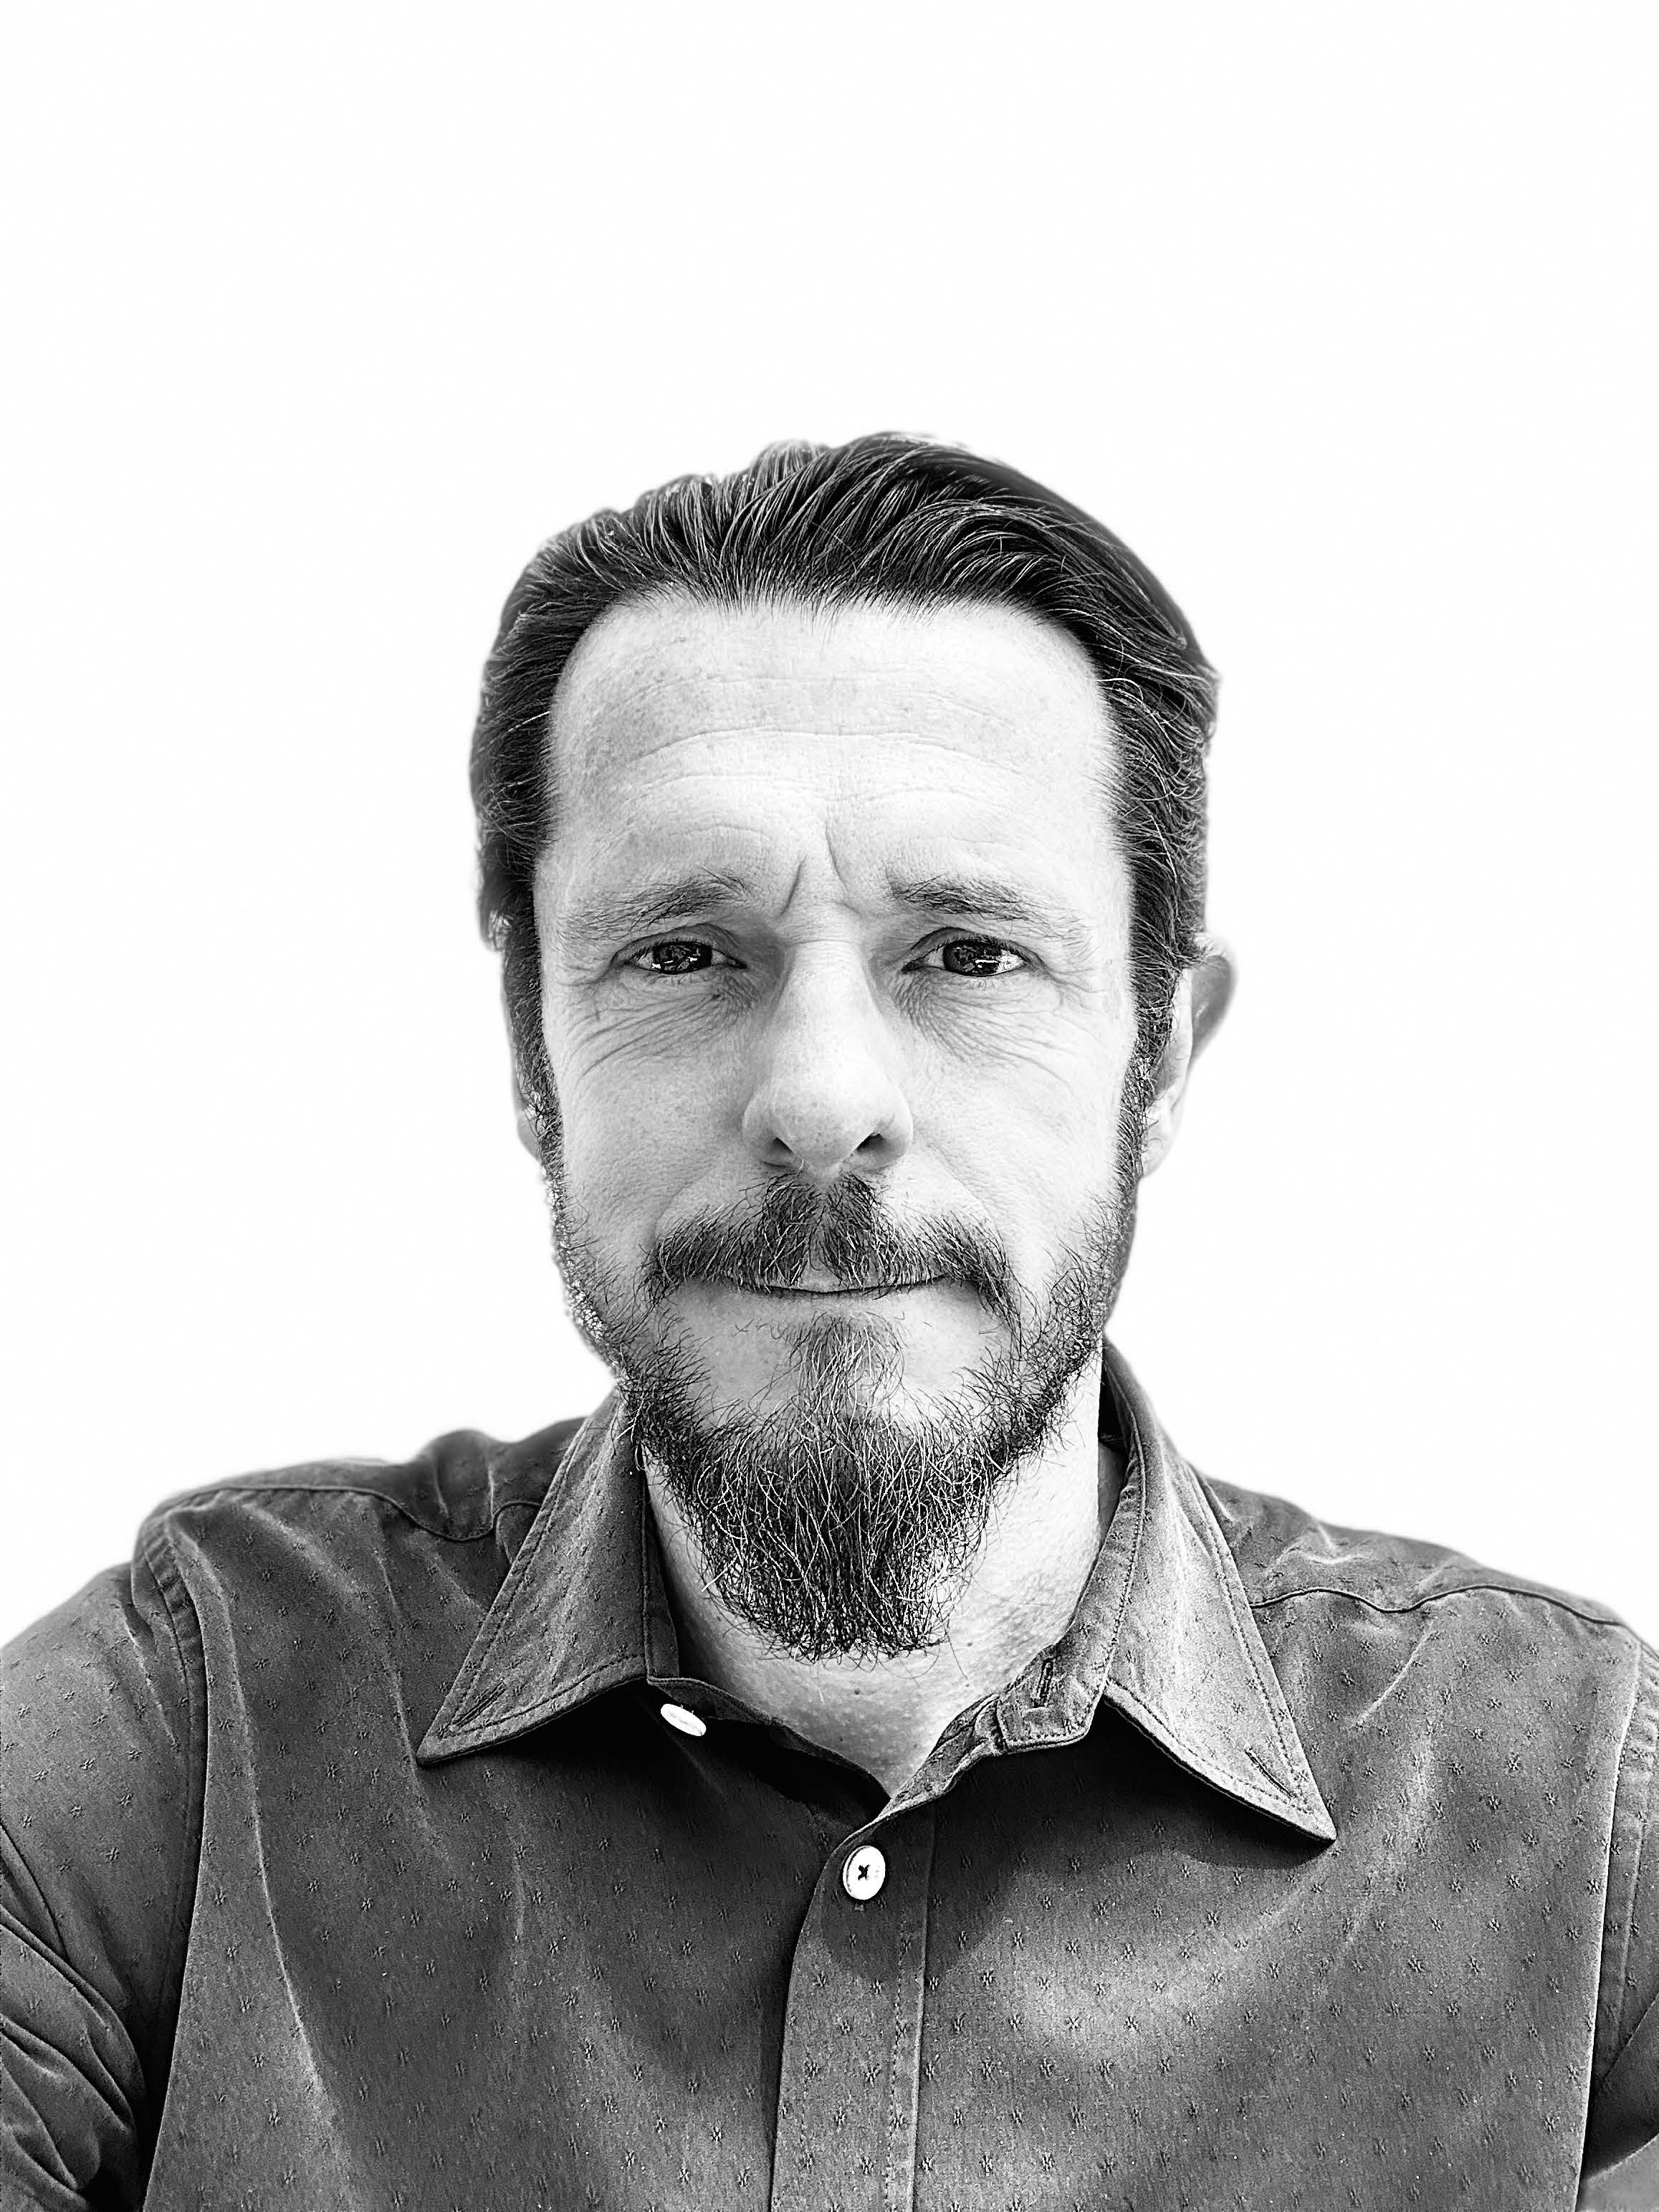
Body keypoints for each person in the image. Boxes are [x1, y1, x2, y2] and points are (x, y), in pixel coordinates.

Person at [3, 435, 1653, 2211]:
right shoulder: (181, 1748)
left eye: (969, 953)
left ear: (1163, 1053)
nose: (821, 1098)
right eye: (684, 951)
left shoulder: (1585, 1837)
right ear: (530, 1045)